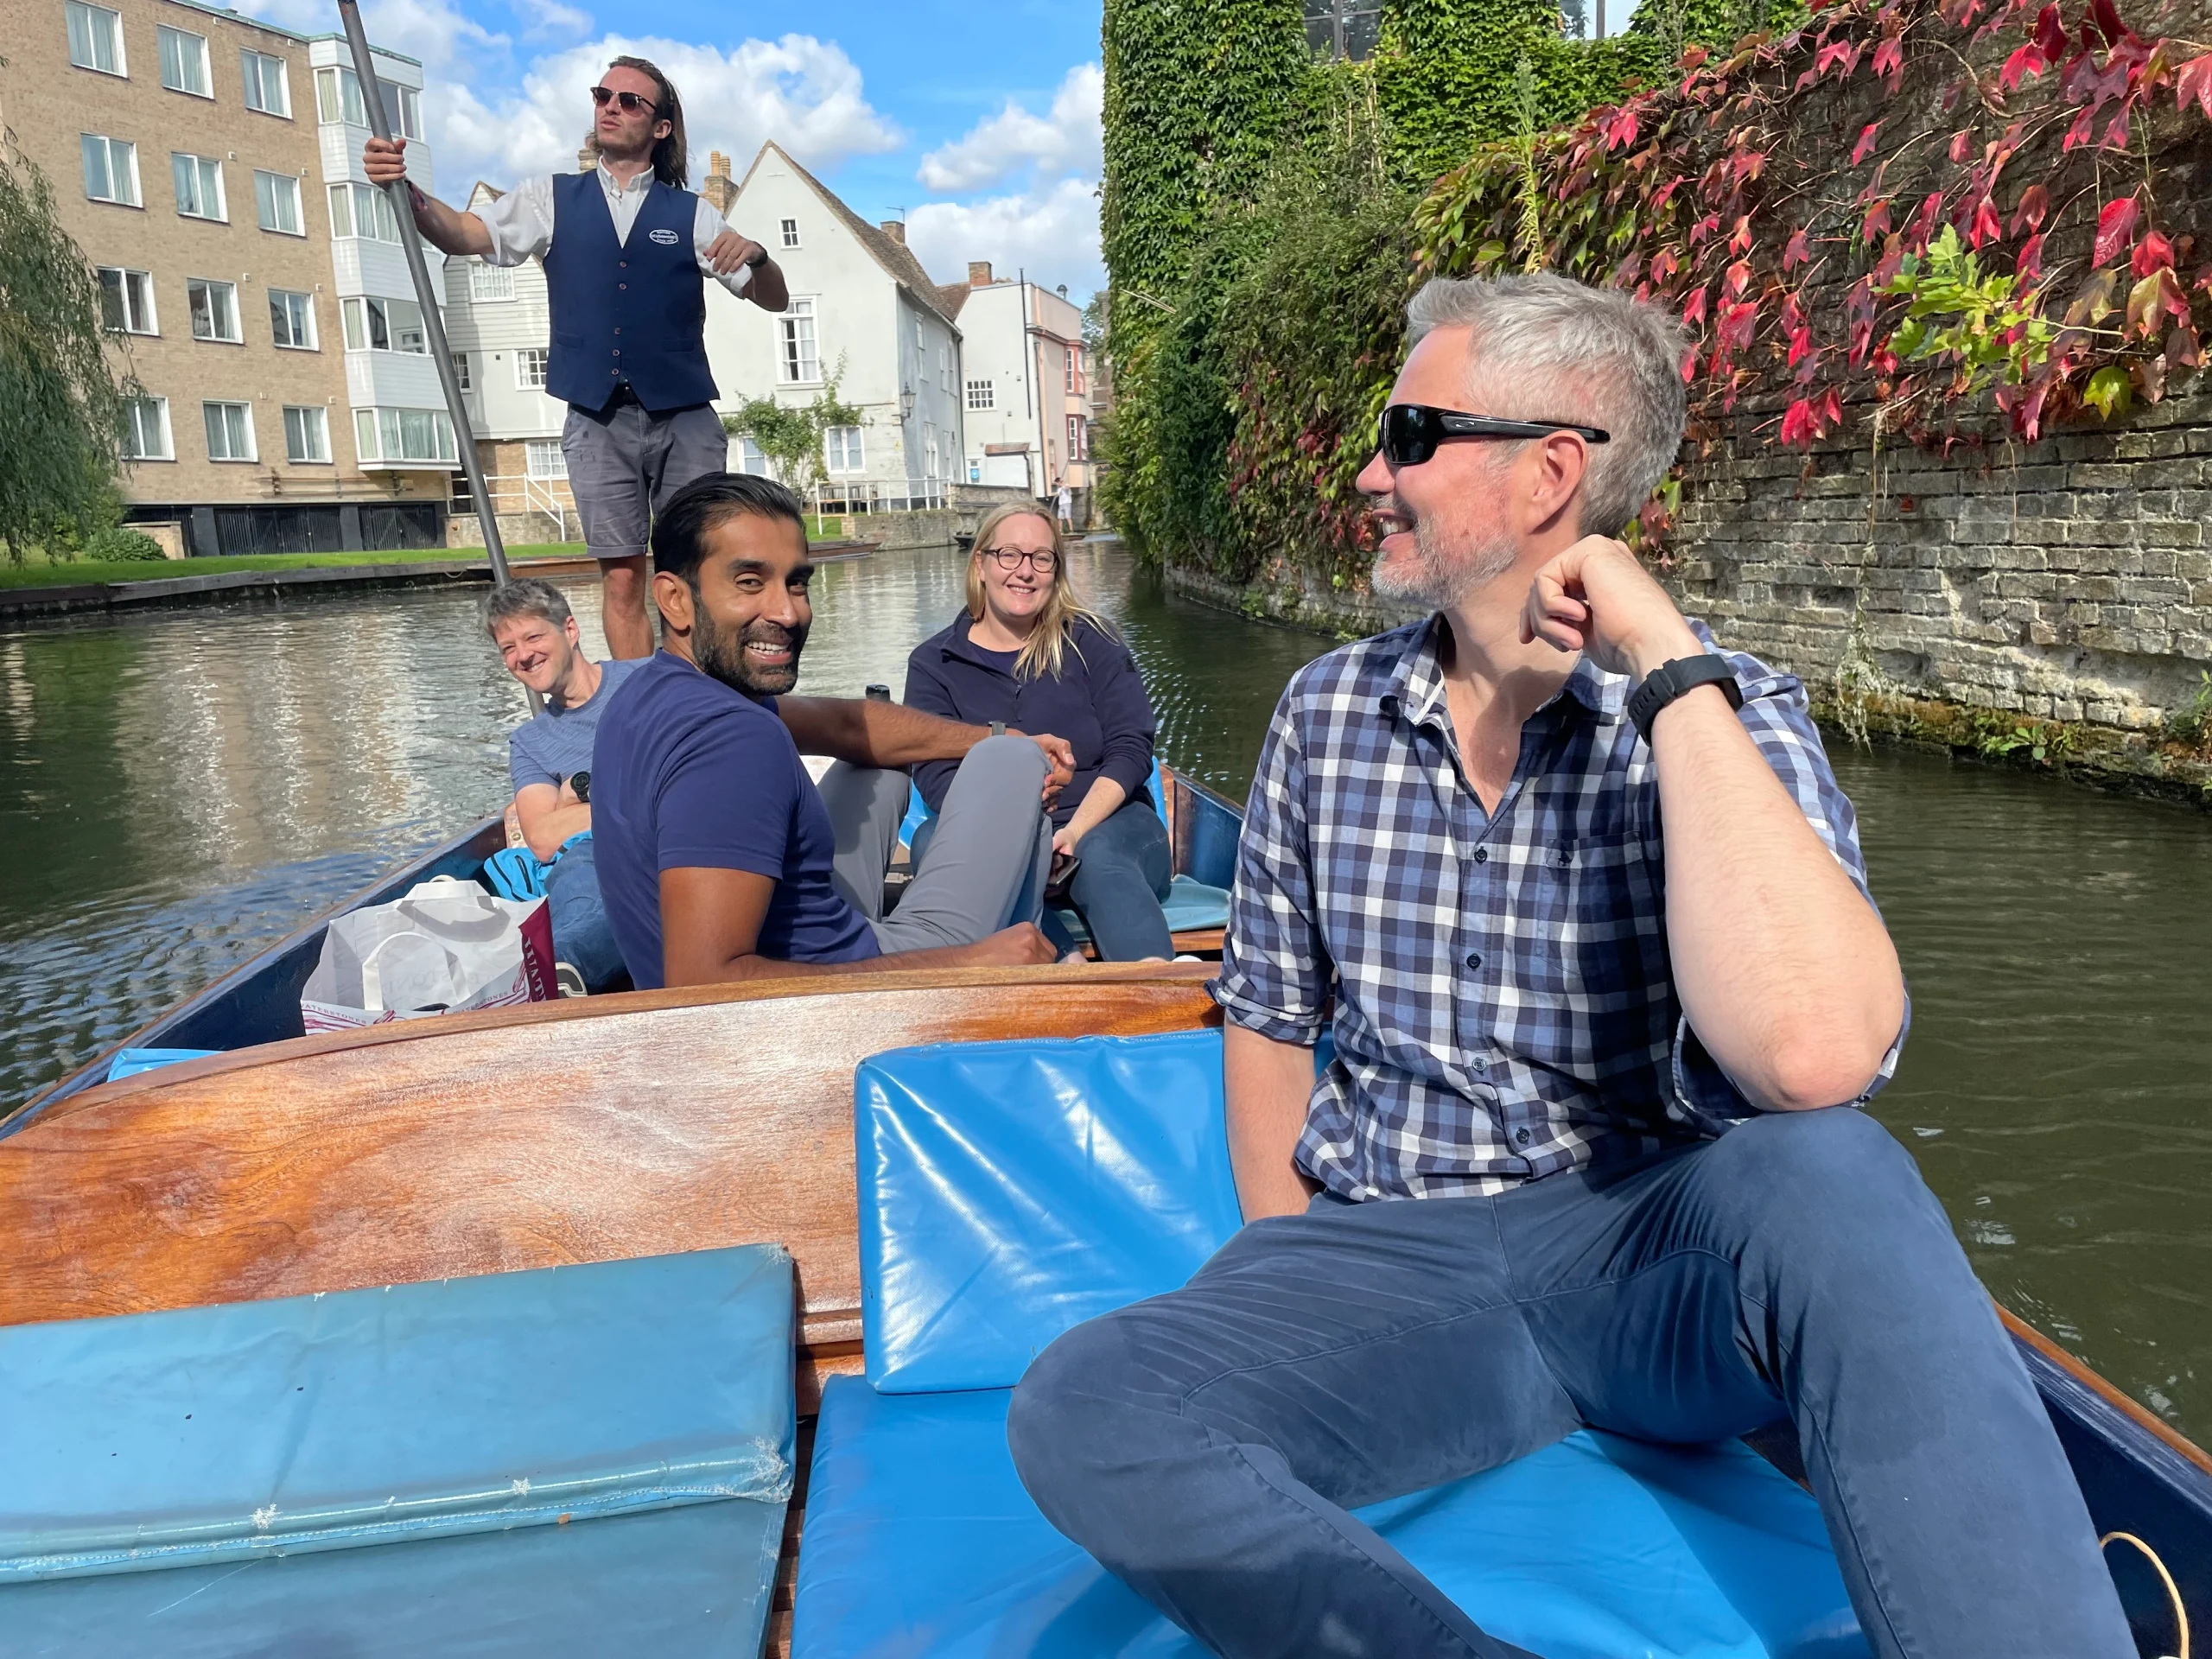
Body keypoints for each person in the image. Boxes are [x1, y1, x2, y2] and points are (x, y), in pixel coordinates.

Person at [1007, 272, 2133, 1658]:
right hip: (1394, 1251)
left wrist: (1663, 663)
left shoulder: (1723, 715)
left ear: (1551, 472)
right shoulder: (1325, 713)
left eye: (1413, 435)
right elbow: (1270, 1017)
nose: (1372, 472)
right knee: (1088, 1399)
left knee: (1832, 1166)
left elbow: (1818, 1056)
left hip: (1640, 1261)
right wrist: (1293, 1279)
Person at [364, 57, 791, 662]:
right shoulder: (551, 199)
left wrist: (760, 254)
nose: (611, 107)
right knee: (621, 577)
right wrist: (404, 191)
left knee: (692, 573)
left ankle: (694, 698)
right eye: (603, 95)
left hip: (684, 416)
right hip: (596, 415)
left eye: (629, 101)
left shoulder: (690, 214)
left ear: (661, 127)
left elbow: (772, 298)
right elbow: (462, 233)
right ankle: (640, 704)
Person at [590, 473, 1071, 990]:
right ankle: (1035, 973)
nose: (788, 612)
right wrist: (970, 962)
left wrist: (992, 736)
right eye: (749, 582)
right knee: (1016, 767)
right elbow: (703, 988)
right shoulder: (736, 743)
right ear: (675, 599)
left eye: (796, 582)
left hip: (810, 949)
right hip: (830, 1004)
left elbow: (843, 724)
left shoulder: (644, 695)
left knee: (883, 772)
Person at [904, 505, 1174, 961]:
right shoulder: (934, 664)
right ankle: (1062, 965)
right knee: (932, 842)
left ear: (1055, 571)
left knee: (1101, 857)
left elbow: (1131, 749)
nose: (1024, 572)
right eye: (1009, 555)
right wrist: (1022, 833)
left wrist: (1074, 831)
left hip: (1109, 821)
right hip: (992, 828)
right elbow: (934, 775)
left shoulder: (1092, 641)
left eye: (1041, 558)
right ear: (981, 565)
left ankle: (1158, 991)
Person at [485, 578, 640, 996]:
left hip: (677, 840)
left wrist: (572, 801)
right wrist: (638, 802)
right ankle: (554, 972)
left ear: (570, 630)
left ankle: (544, 978)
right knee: (579, 865)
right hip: (597, 858)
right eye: (508, 649)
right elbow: (543, 839)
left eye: (533, 636)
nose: (523, 656)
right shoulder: (530, 742)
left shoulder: (645, 680)